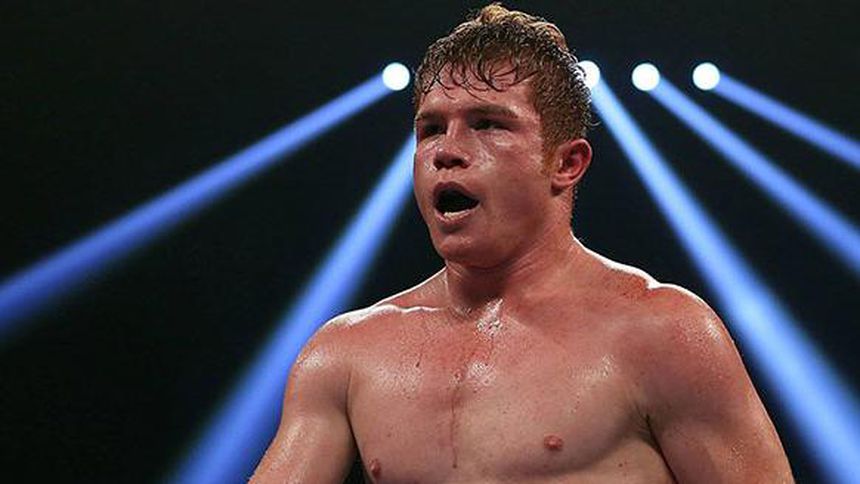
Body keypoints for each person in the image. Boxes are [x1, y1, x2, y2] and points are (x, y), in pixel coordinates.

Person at [251, 4, 793, 482]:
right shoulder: (348, 353)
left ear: (566, 163)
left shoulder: (661, 333)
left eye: (487, 124)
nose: (447, 150)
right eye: (430, 128)